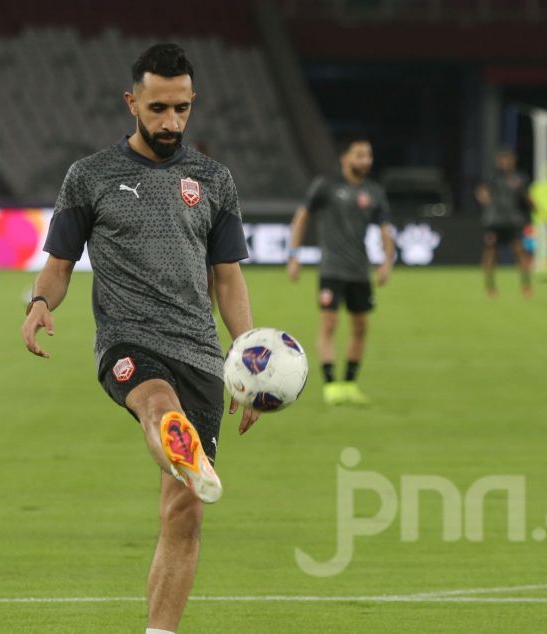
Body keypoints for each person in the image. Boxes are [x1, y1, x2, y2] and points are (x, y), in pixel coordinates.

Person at [19, 44, 258, 634]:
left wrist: (248, 359)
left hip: (200, 351)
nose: (170, 122)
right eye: (157, 108)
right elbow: (58, 263)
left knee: (183, 517)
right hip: (128, 341)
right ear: (131, 102)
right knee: (156, 402)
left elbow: (227, 278)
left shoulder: (214, 181)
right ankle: (176, 440)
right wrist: (40, 303)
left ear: (192, 102)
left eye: (181, 109)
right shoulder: (91, 177)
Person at [286, 134, 395, 406]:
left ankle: (349, 383)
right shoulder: (326, 186)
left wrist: (387, 261)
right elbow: (302, 216)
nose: (366, 160)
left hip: (360, 270)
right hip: (332, 269)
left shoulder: (374, 192)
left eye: (368, 155)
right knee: (329, 323)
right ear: (345, 158)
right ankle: (331, 383)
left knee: (360, 327)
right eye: (360, 155)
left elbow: (385, 230)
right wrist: (294, 255)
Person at [476, 148, 534, 298]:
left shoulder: (520, 178)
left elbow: (526, 196)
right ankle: (490, 286)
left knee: (519, 250)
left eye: (507, 159)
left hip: (513, 220)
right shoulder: (492, 177)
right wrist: (486, 200)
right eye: (501, 159)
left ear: (513, 160)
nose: (504, 162)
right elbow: (481, 191)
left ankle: (526, 285)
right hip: (494, 221)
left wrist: (538, 209)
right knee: (490, 252)